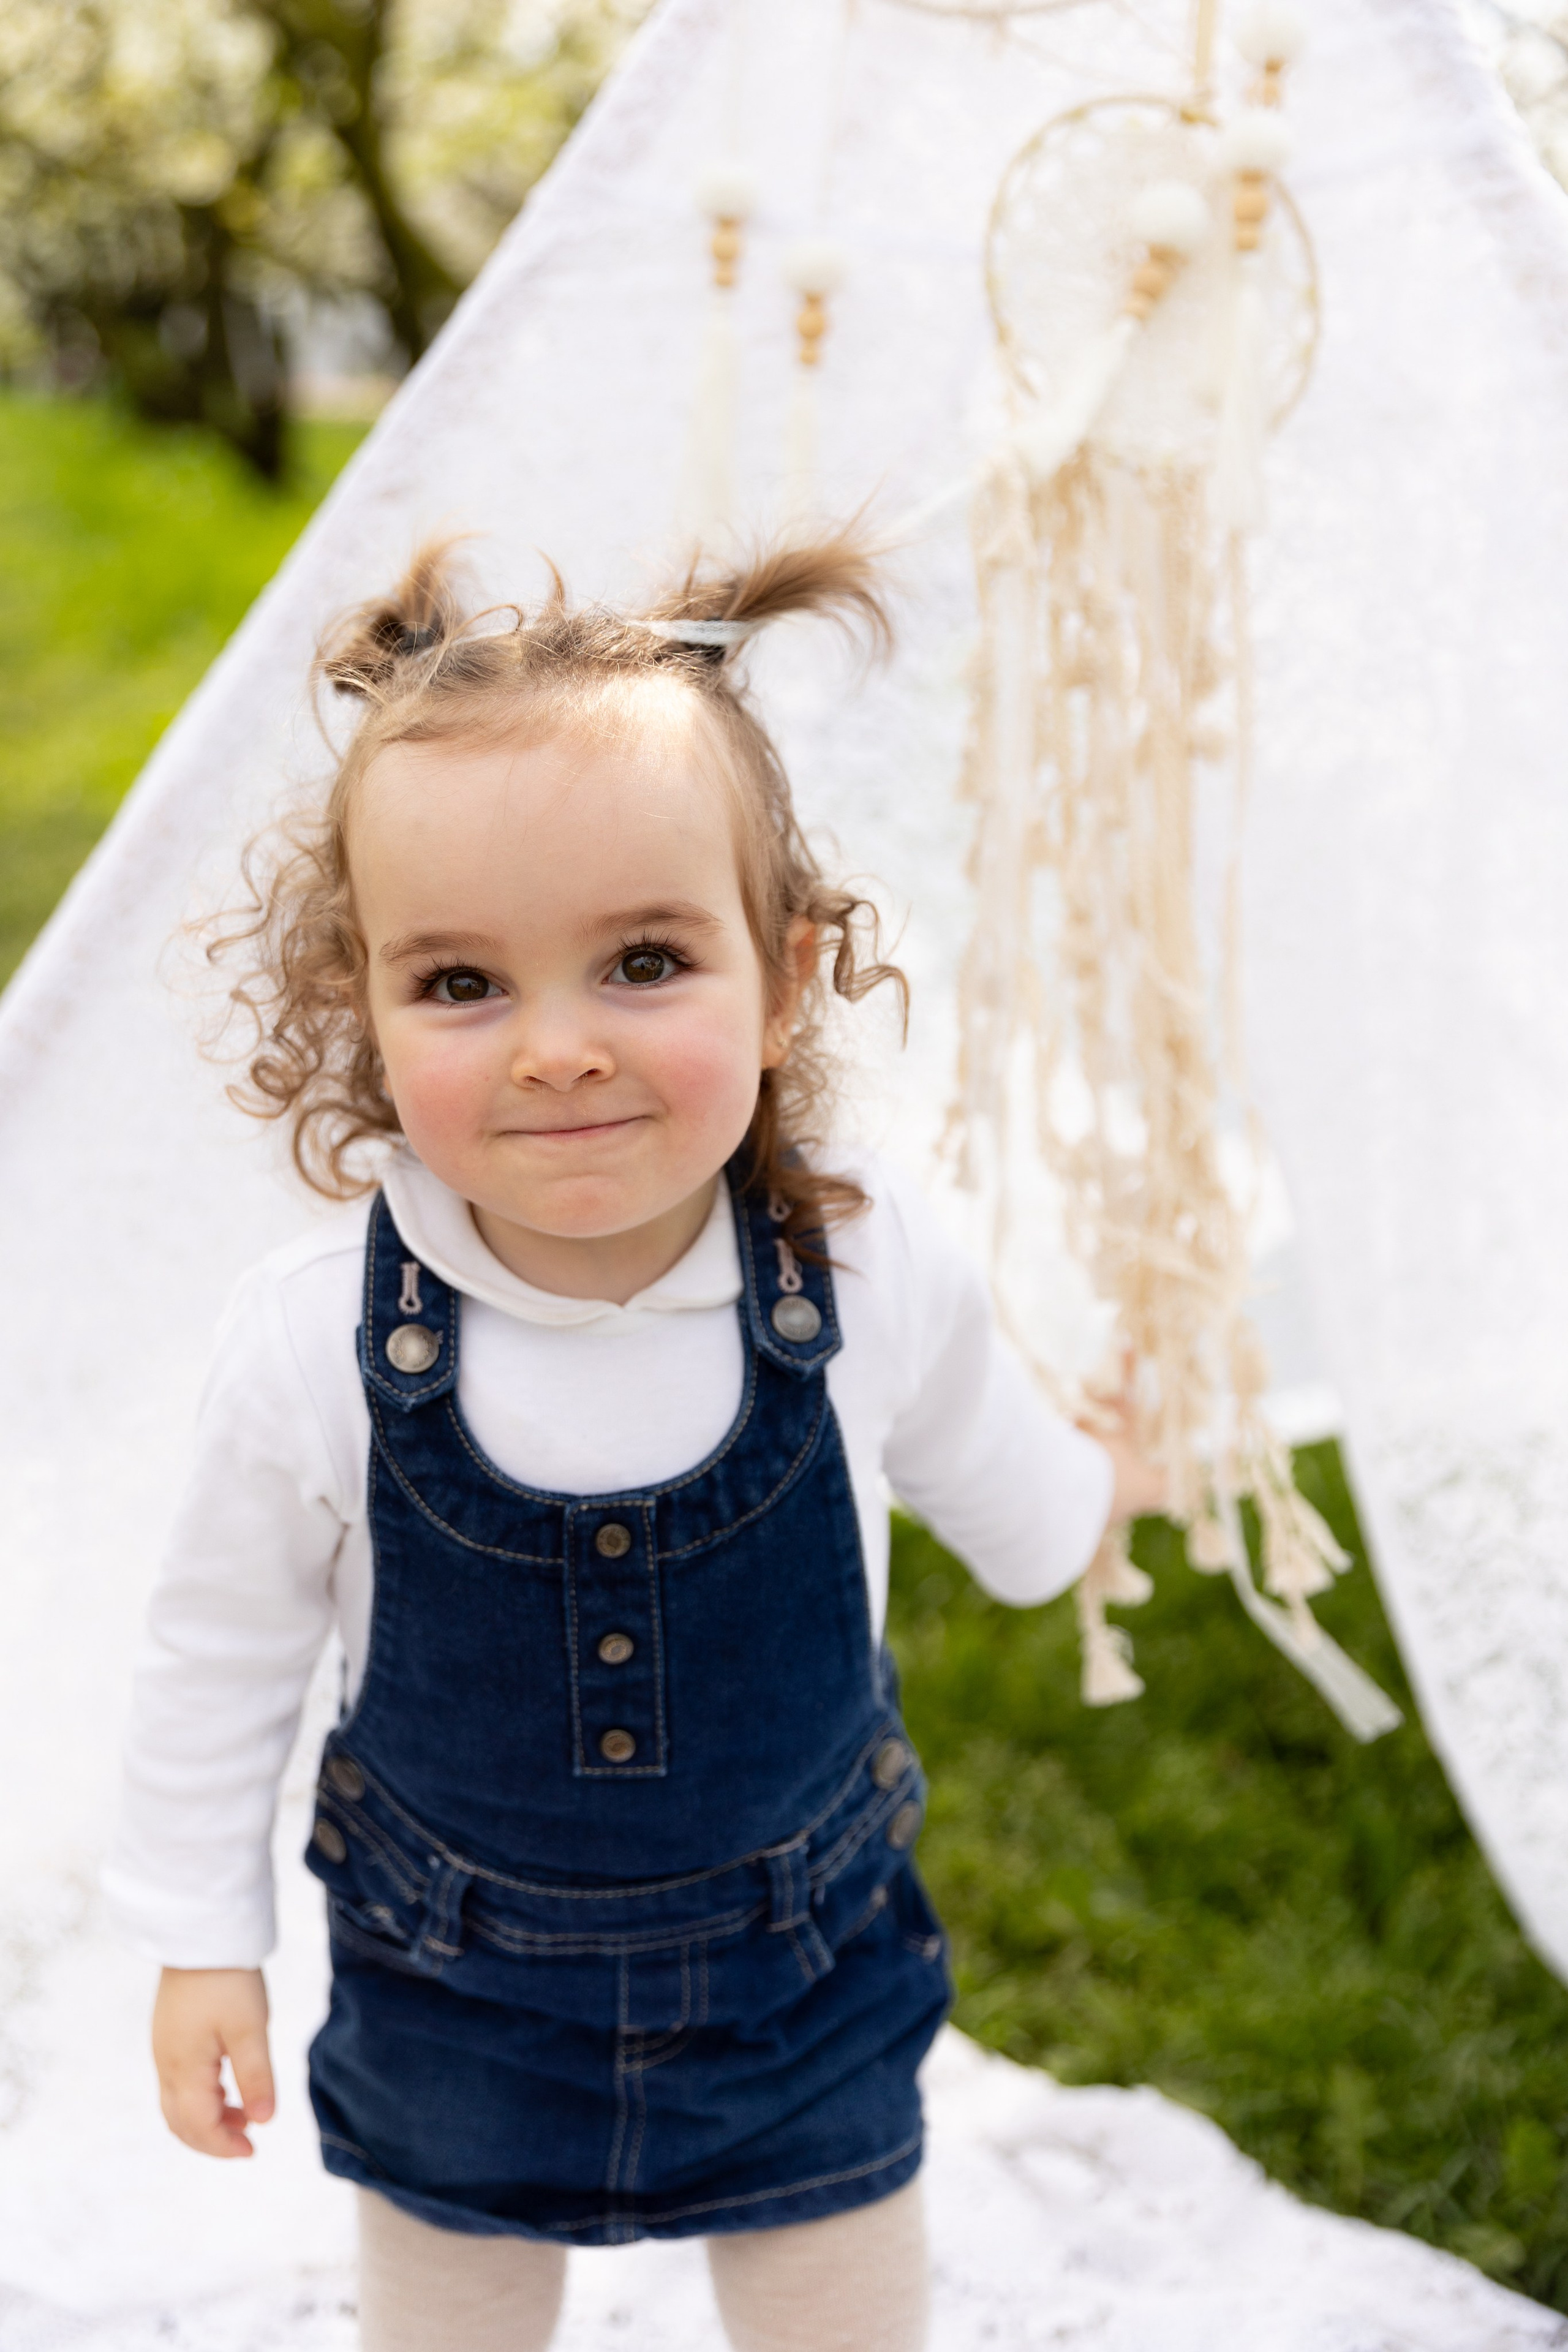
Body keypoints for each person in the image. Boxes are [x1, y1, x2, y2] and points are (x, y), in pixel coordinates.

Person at [106, 529, 1163, 2352]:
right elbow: (219, 1657)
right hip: (453, 1996)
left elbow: (996, 1470)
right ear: (361, 1002)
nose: (558, 1049)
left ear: (787, 966)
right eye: (462, 986)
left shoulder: (865, 1265)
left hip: (800, 1981)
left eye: (645, 961)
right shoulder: (312, 1347)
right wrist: (208, 1939)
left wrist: (1095, 1506)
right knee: (445, 2321)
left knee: (840, 2314)